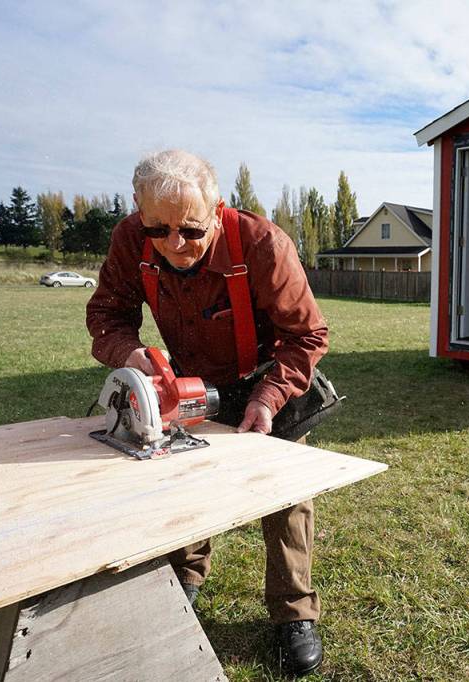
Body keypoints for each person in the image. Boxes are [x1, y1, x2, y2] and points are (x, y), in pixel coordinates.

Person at [86, 149, 327, 676]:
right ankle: (184, 582)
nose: (176, 244)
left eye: (192, 230)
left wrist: (268, 398)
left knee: (283, 497)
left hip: (268, 376)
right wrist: (134, 355)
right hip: (188, 383)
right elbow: (106, 314)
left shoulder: (263, 245)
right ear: (138, 212)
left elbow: (308, 335)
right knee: (182, 482)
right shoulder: (131, 240)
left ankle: (293, 615)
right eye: (160, 229)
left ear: (217, 209)